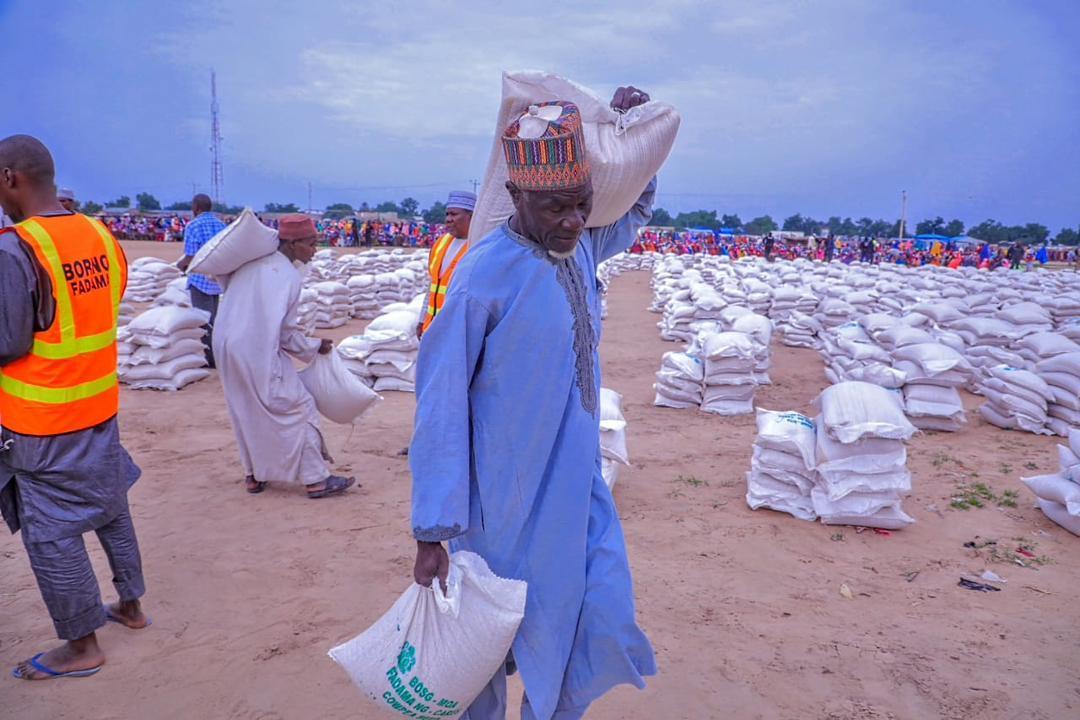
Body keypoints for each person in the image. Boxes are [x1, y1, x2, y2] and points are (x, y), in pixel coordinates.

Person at [410, 89, 657, 720]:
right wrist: (434, 529)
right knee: (485, 650)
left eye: (581, 205)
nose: (574, 220)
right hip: (500, 507)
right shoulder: (481, 276)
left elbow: (634, 210)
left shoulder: (577, 253)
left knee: (590, 611)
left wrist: (637, 136)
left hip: (574, 491)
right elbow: (439, 402)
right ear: (517, 198)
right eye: (556, 208)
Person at [0, 135, 148, 681]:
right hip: (97, 403)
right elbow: (104, 304)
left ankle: (82, 645)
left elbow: (9, 341)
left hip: (40, 420)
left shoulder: (17, 247)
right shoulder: (98, 234)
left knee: (50, 531)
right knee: (109, 502)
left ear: (11, 177)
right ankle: (130, 605)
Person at [213, 214, 355, 499]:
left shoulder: (251, 265)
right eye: (311, 244)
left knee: (245, 409)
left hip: (226, 346)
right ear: (291, 243)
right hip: (256, 350)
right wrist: (315, 347)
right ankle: (316, 479)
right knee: (298, 406)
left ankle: (253, 475)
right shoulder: (287, 276)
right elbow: (286, 334)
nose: (314, 251)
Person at [417, 190, 476, 339]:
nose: (448, 219)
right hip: (432, 325)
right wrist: (422, 319)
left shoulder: (478, 246)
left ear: (471, 216)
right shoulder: (441, 243)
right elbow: (432, 285)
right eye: (447, 214)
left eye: (454, 214)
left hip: (456, 332)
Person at [176, 194, 225, 367]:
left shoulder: (193, 225)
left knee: (203, 321)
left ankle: (211, 359)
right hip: (217, 279)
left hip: (200, 281)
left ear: (196, 208)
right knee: (214, 318)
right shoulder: (221, 225)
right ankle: (217, 353)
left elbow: (190, 255)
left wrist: (180, 265)